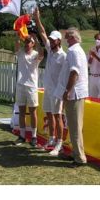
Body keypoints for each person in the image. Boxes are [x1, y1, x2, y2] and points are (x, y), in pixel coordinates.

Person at [33, 8, 66, 156]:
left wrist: (63, 91)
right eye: (50, 40)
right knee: (49, 114)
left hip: (58, 91)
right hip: (48, 88)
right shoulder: (50, 49)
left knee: (58, 115)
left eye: (53, 40)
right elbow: (42, 32)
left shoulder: (64, 56)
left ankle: (60, 143)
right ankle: (52, 139)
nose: (51, 41)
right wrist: (37, 19)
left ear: (59, 41)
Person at [54, 27, 88, 168]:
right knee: (74, 126)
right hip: (76, 92)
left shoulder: (74, 51)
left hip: (75, 93)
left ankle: (79, 158)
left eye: (67, 37)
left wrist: (68, 90)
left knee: (74, 127)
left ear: (73, 37)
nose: (66, 40)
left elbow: (74, 72)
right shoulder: (76, 50)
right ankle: (76, 154)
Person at [12, 25, 44, 148]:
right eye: (26, 41)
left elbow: (42, 54)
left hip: (31, 87)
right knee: (21, 112)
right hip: (20, 85)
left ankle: (34, 136)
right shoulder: (20, 53)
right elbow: (16, 46)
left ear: (33, 44)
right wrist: (18, 36)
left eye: (29, 42)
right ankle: (22, 135)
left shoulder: (36, 54)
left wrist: (36, 40)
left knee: (32, 112)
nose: (26, 43)